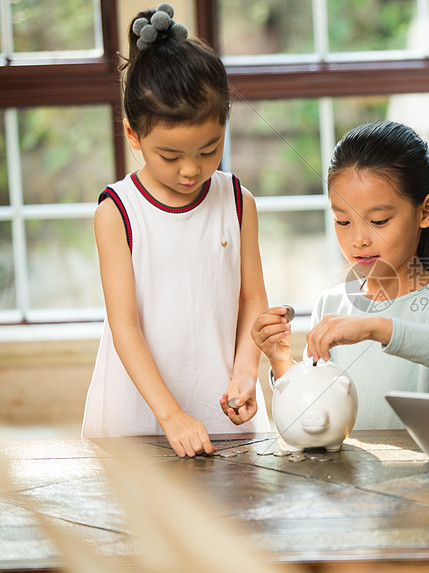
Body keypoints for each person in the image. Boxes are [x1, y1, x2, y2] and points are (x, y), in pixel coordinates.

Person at [82, 3, 270, 457]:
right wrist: (171, 415)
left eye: (209, 150)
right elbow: (124, 326)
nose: (191, 170)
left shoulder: (237, 201)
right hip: (138, 419)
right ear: (133, 134)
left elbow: (254, 302)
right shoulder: (118, 212)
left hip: (222, 410)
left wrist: (245, 371)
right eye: (170, 156)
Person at [252, 121, 429, 429]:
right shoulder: (331, 306)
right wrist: (280, 359)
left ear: (426, 211)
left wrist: (375, 327)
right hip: (346, 475)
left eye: (378, 221)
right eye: (343, 221)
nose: (358, 240)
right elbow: (313, 407)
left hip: (424, 476)